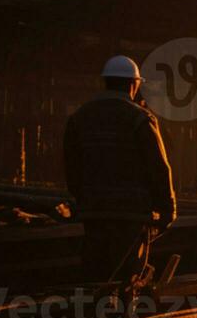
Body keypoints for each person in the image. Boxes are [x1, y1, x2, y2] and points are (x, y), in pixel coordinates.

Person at [63, 56, 176, 299]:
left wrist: (84, 198)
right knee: (128, 276)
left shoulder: (80, 117)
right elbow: (159, 167)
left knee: (97, 274)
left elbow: (71, 167)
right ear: (133, 85)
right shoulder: (140, 118)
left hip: (94, 212)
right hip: (131, 214)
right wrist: (168, 209)